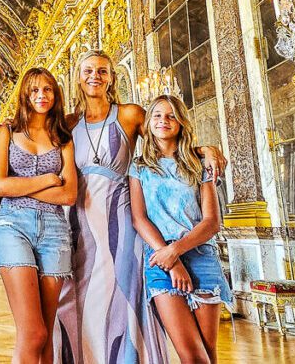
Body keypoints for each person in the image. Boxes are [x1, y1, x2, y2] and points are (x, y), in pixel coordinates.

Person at [55, 50, 227, 364]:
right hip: (81, 222)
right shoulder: (67, 123)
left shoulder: (131, 114)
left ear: (111, 78)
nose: (95, 76)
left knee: (123, 297)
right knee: (83, 299)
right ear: (78, 77)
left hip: (123, 220)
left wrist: (205, 149)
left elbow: (167, 140)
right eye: (89, 70)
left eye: (103, 71)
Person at [129, 95, 232, 364]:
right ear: (149, 122)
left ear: (181, 123)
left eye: (171, 115)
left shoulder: (200, 165)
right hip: (160, 261)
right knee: (192, 355)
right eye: (158, 115)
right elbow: (139, 219)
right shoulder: (139, 168)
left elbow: (211, 222)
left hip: (201, 258)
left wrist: (176, 250)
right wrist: (170, 258)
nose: (164, 120)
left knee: (207, 353)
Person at [0, 68, 77, 363]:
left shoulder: (63, 137)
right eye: (35, 90)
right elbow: (0, 185)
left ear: (56, 94)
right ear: (25, 95)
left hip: (55, 230)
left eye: (48, 90)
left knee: (47, 332)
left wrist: (22, 187)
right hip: (13, 226)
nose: (42, 96)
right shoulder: (6, 132)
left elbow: (69, 195)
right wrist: (48, 179)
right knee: (33, 333)